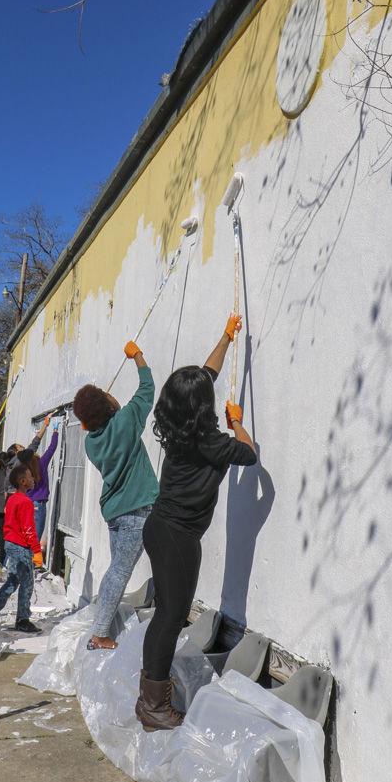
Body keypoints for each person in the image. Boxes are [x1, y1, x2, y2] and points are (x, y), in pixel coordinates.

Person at [135, 314, 257, 732]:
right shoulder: (212, 441)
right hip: (178, 537)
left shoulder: (181, 426)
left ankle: (149, 697)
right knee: (171, 616)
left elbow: (207, 372)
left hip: (161, 528)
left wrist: (226, 336)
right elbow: (250, 454)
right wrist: (237, 419)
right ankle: (153, 704)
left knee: (166, 614)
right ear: (203, 407)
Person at [73, 340, 159, 651]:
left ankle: (104, 622)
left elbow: (109, 420)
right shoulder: (126, 421)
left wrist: (105, 404)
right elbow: (147, 387)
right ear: (109, 407)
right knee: (120, 570)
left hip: (113, 511)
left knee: (116, 568)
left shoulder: (91, 443)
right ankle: (100, 633)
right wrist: (137, 355)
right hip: (137, 510)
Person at [0, 464, 43, 634]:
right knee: (27, 583)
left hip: (11, 543)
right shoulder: (25, 502)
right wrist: (36, 550)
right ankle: (22, 619)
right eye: (30, 476)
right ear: (23, 482)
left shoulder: (13, 499)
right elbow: (28, 528)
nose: (33, 479)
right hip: (21, 546)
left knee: (13, 580)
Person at [18, 421, 60, 540]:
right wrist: (55, 431)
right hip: (39, 504)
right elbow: (52, 448)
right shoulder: (41, 463)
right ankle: (30, 558)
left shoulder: (22, 470)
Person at [5, 414, 54, 492]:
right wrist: (45, 424)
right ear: (16, 451)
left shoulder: (9, 466)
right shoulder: (21, 458)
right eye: (20, 446)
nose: (23, 447)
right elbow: (35, 443)